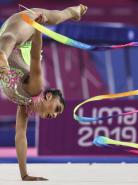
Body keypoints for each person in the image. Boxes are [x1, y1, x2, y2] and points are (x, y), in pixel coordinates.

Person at [0, 4, 88, 181]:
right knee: (52, 18)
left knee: (9, 39)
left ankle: (2, 58)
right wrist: (38, 29)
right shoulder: (36, 87)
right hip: (21, 34)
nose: (55, 115)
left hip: (15, 43)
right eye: (56, 109)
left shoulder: (25, 104)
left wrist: (24, 174)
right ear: (48, 96)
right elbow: (34, 58)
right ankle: (75, 11)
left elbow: (20, 136)